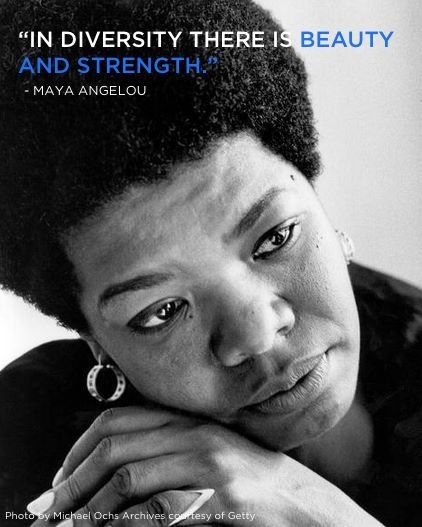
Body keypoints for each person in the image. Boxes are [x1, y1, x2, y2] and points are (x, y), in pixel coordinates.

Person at [0, 0, 421, 526]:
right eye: (162, 310)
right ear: (97, 344)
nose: (257, 334)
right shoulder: (24, 455)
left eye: (275, 238)